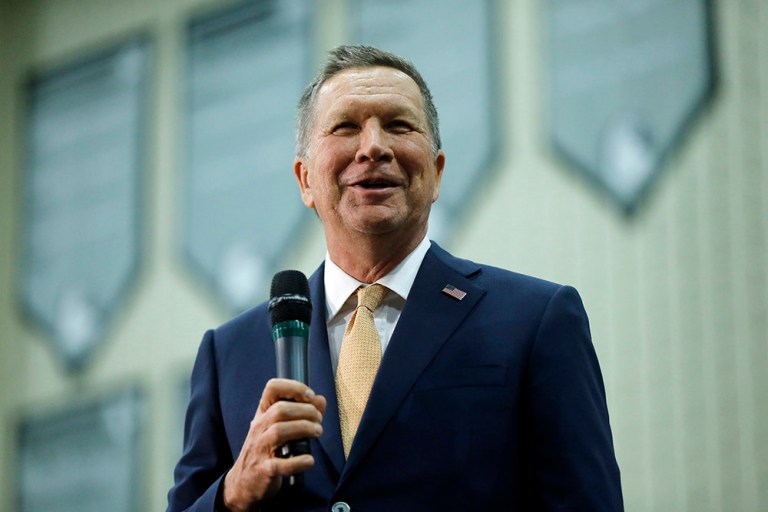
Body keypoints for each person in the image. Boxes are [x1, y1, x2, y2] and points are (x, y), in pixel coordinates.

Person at [168, 44, 623, 511]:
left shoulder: (535, 321)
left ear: (437, 172)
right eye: (345, 127)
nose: (374, 147)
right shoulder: (230, 354)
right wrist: (231, 493)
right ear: (305, 180)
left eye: (399, 126)